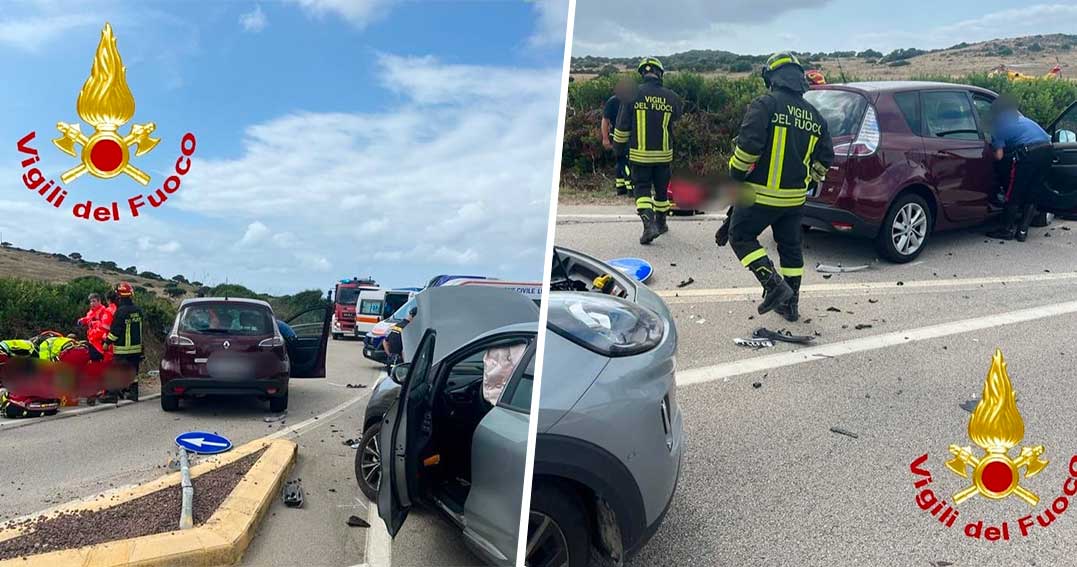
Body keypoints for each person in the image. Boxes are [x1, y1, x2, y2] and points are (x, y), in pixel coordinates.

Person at [724, 52, 834, 319]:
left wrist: (735, 175)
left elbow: (748, 148)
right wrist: (807, 180)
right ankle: (791, 306)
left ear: (771, 78)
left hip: (759, 196)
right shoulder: (815, 116)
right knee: (790, 249)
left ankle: (773, 285)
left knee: (740, 238)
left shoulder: (765, 104)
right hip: (795, 200)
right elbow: (825, 160)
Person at [613, 57, 684, 244]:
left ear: (642, 73)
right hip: (664, 155)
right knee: (661, 191)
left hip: (639, 155)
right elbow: (677, 116)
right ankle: (661, 224)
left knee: (642, 189)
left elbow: (622, 127)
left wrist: (618, 149)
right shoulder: (671, 96)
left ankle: (649, 227)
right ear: (660, 73)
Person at [986, 95, 1052, 242]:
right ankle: (1022, 231)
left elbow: (999, 156)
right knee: (1033, 190)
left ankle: (1006, 230)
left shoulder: (997, 126)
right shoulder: (1023, 120)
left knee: (1015, 190)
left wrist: (991, 147)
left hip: (1029, 154)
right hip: (1047, 150)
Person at [103, 282, 143, 400]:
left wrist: (107, 343)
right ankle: (133, 393)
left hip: (123, 349)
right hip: (136, 348)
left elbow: (115, 332)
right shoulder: (138, 310)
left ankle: (112, 395)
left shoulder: (120, 311)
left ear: (118, 296)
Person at [602, 78, 637, 196]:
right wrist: (605, 138)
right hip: (616, 136)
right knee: (623, 161)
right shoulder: (612, 101)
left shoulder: (631, 100)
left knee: (621, 161)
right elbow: (605, 121)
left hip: (629, 137)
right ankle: (630, 187)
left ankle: (621, 187)